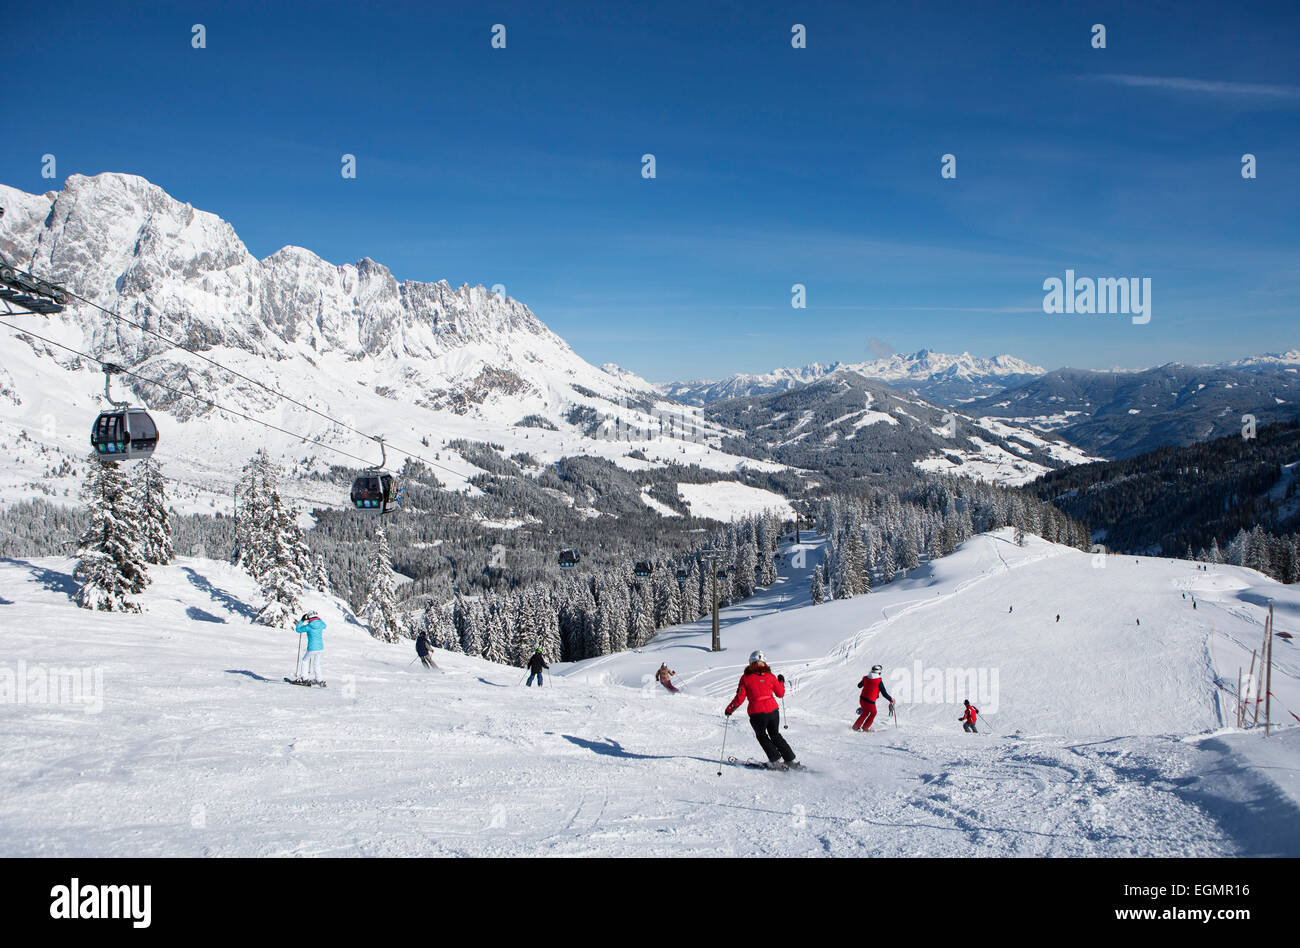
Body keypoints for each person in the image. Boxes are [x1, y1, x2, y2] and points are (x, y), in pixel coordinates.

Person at [725, 650, 798, 769]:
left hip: (757, 713)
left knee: (762, 736)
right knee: (775, 735)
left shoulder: (745, 678)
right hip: (773, 711)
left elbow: (740, 698)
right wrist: (781, 682)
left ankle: (776, 760)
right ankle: (791, 760)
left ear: (750, 663)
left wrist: (729, 709)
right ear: (765, 663)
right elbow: (780, 693)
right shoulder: (770, 676)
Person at [854, 664, 894, 731]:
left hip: (862, 699)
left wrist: (864, 681)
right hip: (870, 701)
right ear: (879, 672)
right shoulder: (878, 681)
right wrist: (891, 699)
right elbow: (884, 693)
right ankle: (865, 728)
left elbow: (859, 685)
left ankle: (855, 727)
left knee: (865, 713)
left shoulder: (866, 678)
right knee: (873, 713)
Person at [295, 611, 326, 685]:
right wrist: (318, 619)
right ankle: (319, 679)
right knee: (317, 663)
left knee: (305, 660)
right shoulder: (321, 624)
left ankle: (304, 678)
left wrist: (302, 620)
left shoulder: (309, 626)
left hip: (312, 647)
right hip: (320, 647)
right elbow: (324, 625)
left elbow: (298, 629)